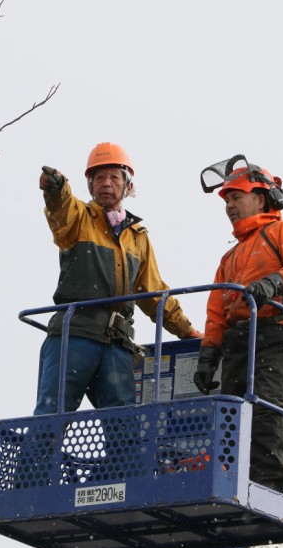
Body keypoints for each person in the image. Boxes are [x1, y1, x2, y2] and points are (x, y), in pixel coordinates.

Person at [34, 142, 202, 415]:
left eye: (114, 177)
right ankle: (40, 447)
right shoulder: (79, 219)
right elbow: (61, 208)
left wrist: (186, 331)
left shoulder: (137, 237)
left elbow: (153, 292)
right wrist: (55, 188)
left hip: (117, 343)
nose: (106, 183)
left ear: (128, 186)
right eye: (99, 177)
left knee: (124, 425)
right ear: (90, 185)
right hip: (75, 334)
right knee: (52, 415)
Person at [193, 155, 283, 493]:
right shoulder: (229, 258)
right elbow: (216, 312)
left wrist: (272, 283)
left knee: (265, 404)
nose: (229, 206)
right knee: (231, 415)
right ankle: (232, 482)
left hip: (278, 332)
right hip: (238, 341)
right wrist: (208, 355)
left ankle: (267, 485)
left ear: (261, 199)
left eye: (236, 197)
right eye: (227, 200)